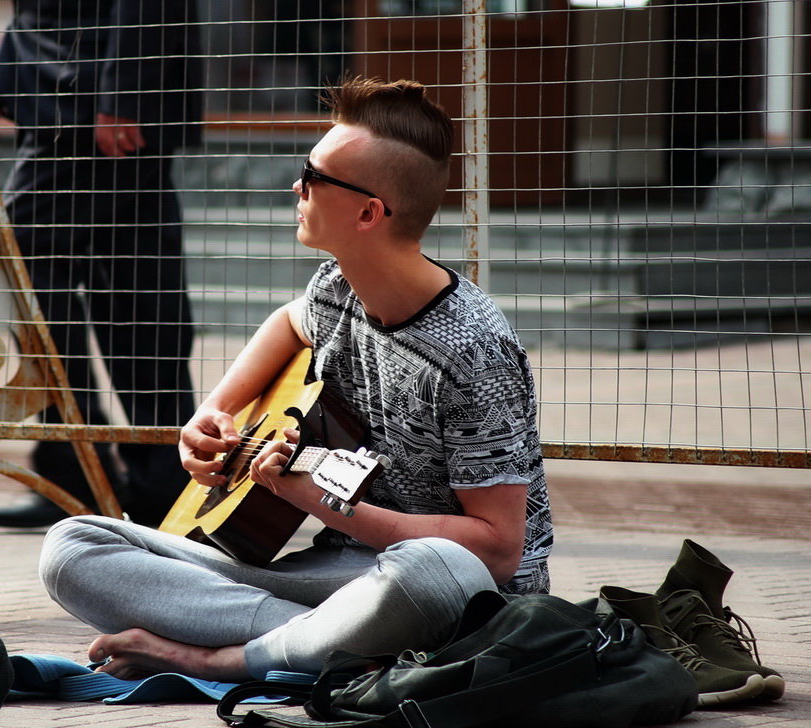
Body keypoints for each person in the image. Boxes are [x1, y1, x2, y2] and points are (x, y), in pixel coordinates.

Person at [39, 77, 554, 682]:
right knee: (73, 548)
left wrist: (326, 504)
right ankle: (334, 644)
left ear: (368, 212)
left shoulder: (473, 353)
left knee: (429, 573)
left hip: (446, 588)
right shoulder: (337, 285)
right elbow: (290, 322)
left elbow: (497, 549)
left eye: (314, 176)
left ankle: (219, 656)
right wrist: (215, 411)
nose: (297, 186)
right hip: (339, 577)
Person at [0, 1, 204, 528]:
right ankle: (152, 485)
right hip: (70, 97)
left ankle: (86, 479)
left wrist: (125, 94)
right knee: (134, 286)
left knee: (31, 277)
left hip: (90, 103)